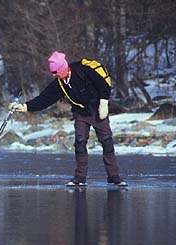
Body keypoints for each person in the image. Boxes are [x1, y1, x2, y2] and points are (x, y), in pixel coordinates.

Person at [10, 51, 127, 187]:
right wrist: (25, 107)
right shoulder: (60, 83)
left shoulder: (83, 69)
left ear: (63, 68)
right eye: (53, 73)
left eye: (55, 72)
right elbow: (45, 99)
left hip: (98, 111)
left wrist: (104, 102)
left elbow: (104, 84)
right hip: (80, 113)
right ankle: (80, 177)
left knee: (106, 141)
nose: (54, 75)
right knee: (80, 142)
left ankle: (113, 175)